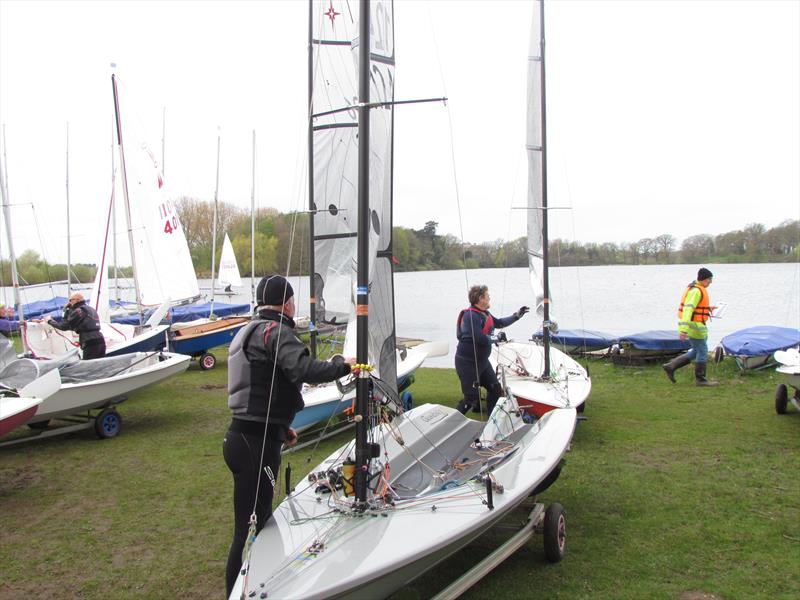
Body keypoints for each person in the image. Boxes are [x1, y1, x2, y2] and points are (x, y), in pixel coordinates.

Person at [224, 274, 355, 597]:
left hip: (246, 438)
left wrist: (281, 428)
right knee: (251, 527)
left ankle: (264, 586)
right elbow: (303, 369)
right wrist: (343, 365)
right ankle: (239, 592)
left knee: (261, 520)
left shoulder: (251, 329)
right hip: (254, 445)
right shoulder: (275, 331)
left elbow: (262, 384)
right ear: (287, 303)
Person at [454, 284, 529, 415]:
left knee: (495, 389)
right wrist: (496, 338)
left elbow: (499, 323)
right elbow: (479, 338)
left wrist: (517, 316)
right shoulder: (470, 316)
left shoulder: (484, 314)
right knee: (471, 399)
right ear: (480, 298)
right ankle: (450, 423)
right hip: (468, 364)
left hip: (482, 362)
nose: (489, 298)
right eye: (488, 296)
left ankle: (491, 421)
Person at [662, 267, 719, 386]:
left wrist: (708, 309)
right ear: (703, 279)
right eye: (709, 280)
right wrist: (683, 330)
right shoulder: (696, 291)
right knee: (703, 351)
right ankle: (700, 380)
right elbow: (688, 310)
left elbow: (696, 308)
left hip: (698, 325)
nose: (710, 283)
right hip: (694, 326)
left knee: (696, 351)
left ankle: (671, 366)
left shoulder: (698, 289)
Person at [46, 293, 106, 359]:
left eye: (70, 300)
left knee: (89, 365)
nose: (69, 302)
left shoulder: (78, 310)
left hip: (89, 341)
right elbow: (78, 324)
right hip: (100, 340)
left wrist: (49, 321)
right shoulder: (90, 309)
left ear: (76, 300)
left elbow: (63, 326)